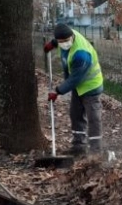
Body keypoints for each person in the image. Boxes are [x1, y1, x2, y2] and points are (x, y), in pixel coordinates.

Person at [44, 23, 104, 155]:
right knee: (75, 114)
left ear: (71, 37)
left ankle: (96, 150)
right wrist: (53, 44)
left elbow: (76, 78)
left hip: (90, 85)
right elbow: (60, 38)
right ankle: (79, 145)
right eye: (61, 41)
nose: (65, 43)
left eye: (66, 40)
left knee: (93, 117)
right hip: (78, 87)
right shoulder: (66, 37)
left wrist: (58, 91)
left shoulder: (81, 54)